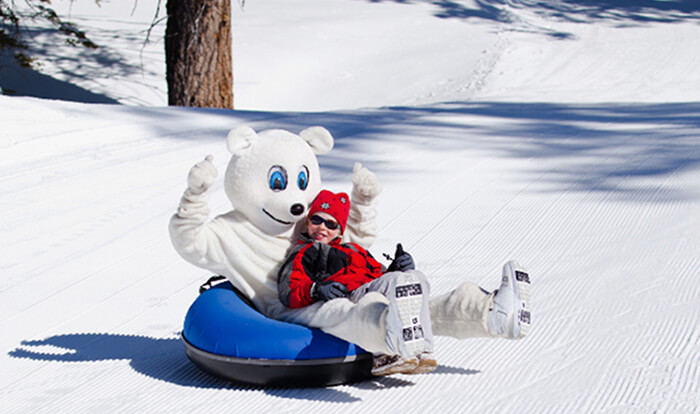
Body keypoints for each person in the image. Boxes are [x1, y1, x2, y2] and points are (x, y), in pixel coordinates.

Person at [278, 190, 437, 376]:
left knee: (414, 277)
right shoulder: (305, 251)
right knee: (390, 289)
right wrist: (316, 289)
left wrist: (398, 267)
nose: (322, 227)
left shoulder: (354, 250)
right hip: (346, 294)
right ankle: (385, 354)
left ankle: (422, 349)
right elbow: (288, 290)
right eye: (316, 220)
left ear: (339, 230)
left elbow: (379, 273)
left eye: (330, 224)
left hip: (368, 287)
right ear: (307, 222)